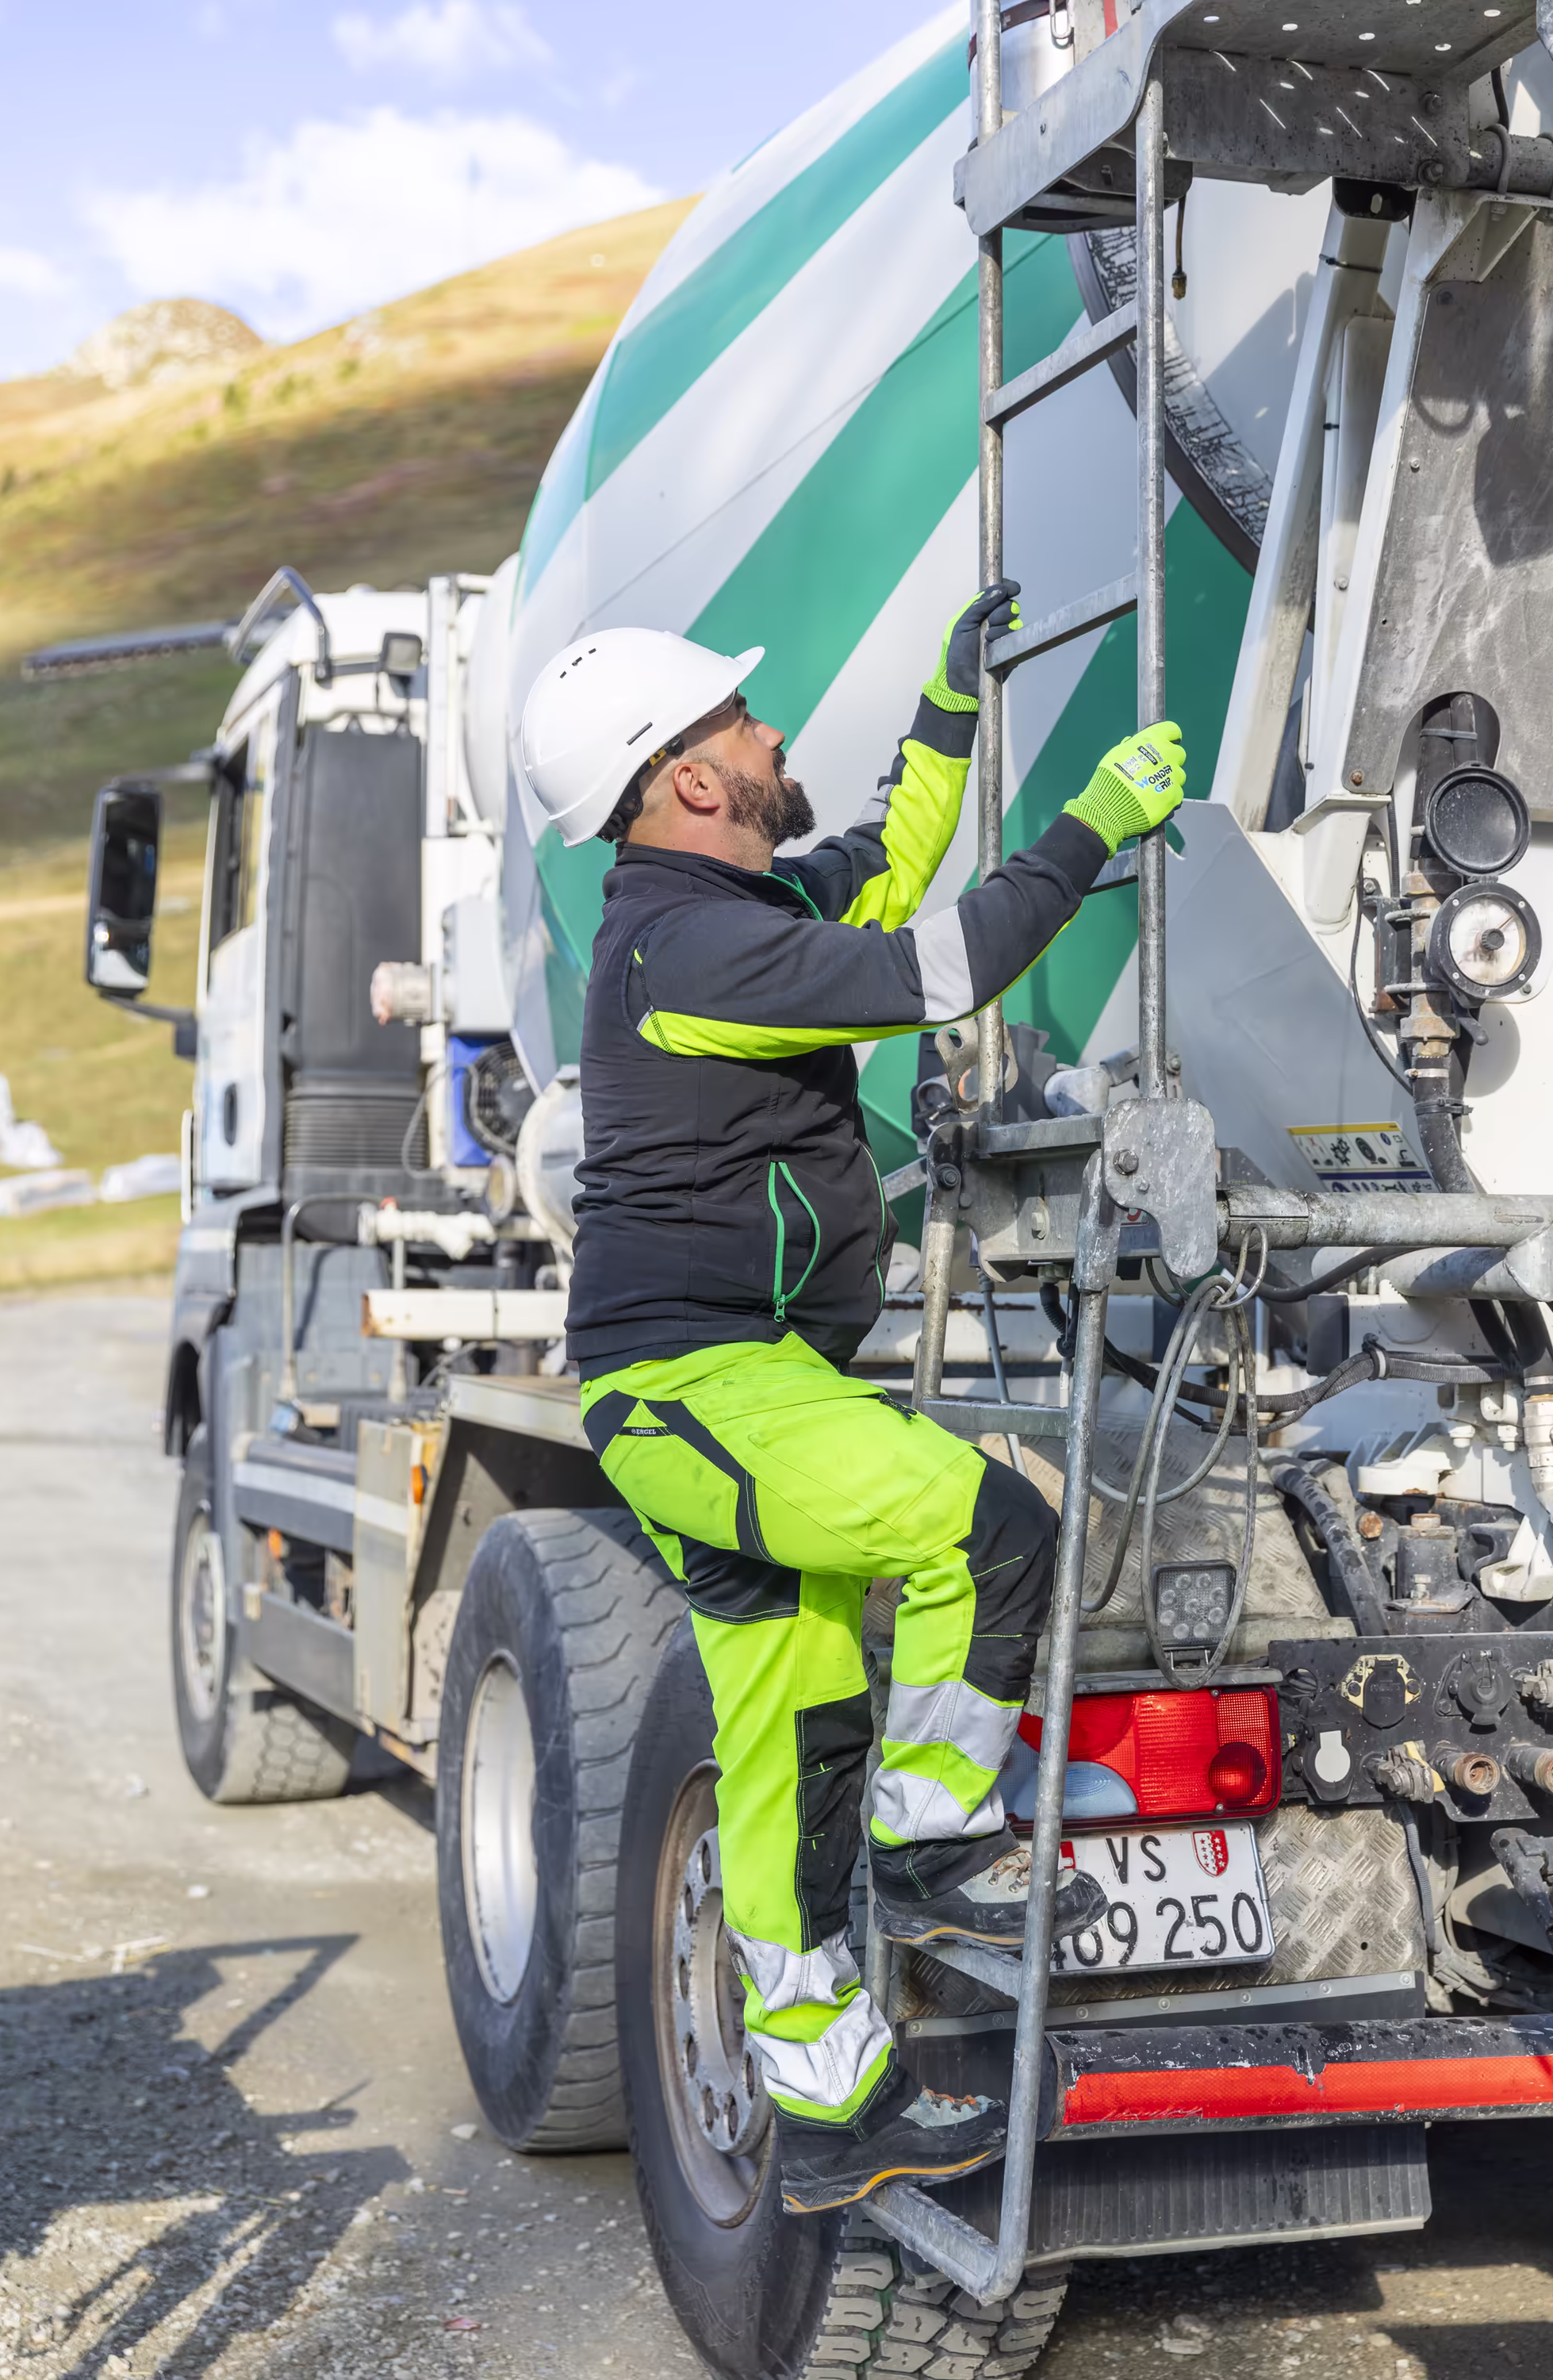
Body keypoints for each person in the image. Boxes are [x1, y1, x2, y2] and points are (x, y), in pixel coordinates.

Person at [520, 588, 1185, 2213]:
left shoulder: (726, 911)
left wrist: (951, 715)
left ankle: (824, 2107)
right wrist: (1095, 822)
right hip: (700, 1386)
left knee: (789, 1741)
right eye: (741, 724)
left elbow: (888, 869)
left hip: (754, 1382)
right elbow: (945, 963)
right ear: (684, 779)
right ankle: (933, 1826)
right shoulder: (687, 945)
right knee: (988, 1522)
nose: (769, 733)